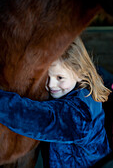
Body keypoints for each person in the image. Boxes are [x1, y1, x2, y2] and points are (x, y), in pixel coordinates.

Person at [0, 37, 111, 167]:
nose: (51, 84)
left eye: (60, 77)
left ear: (80, 73)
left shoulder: (79, 114)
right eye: (47, 77)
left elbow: (32, 117)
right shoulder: (83, 92)